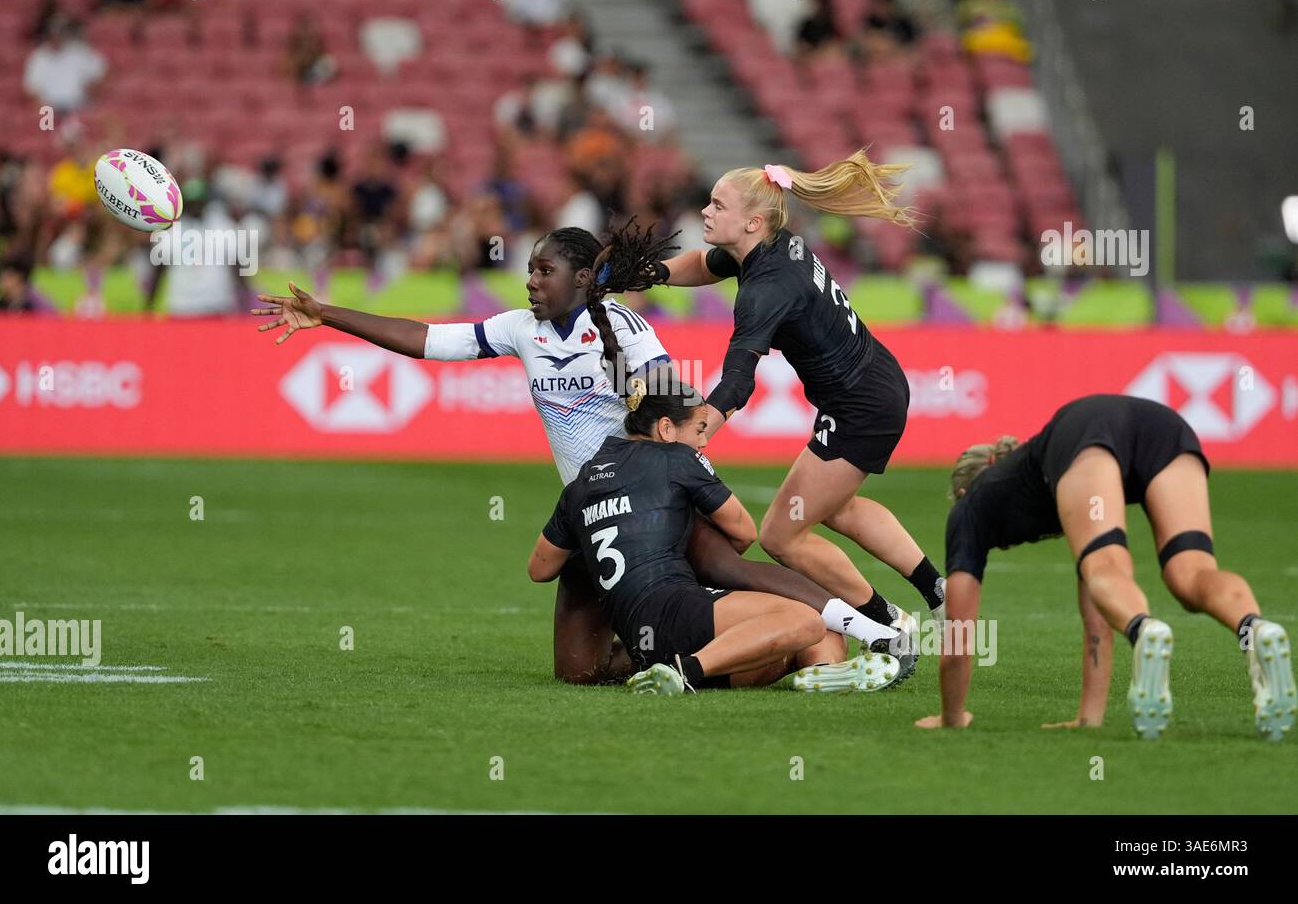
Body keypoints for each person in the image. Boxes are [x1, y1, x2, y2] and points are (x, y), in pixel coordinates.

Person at [252, 224, 898, 684]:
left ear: (584, 278)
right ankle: (729, 657)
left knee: (733, 567)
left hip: (655, 493)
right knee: (579, 670)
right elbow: (428, 340)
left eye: (544, 270)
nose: (531, 281)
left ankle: (875, 633)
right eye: (530, 269)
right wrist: (327, 313)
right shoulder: (517, 329)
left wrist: (675, 461)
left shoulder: (625, 329)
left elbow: (680, 409)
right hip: (591, 506)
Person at [593, 151, 946, 681]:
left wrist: (689, 440)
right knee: (838, 508)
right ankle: (937, 591)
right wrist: (651, 274)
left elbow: (737, 382)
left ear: (752, 221)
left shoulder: (765, 289)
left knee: (782, 535)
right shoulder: (768, 247)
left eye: (717, 205)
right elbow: (706, 264)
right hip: (873, 385)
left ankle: (891, 626)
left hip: (860, 406)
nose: (705, 213)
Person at [916, 394, 1296, 741]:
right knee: (1190, 571)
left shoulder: (968, 512)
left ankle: (1144, 628)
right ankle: (1254, 628)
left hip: (1087, 433)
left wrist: (951, 716)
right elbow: (1096, 615)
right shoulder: (1046, 482)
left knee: (1106, 563)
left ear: (963, 492)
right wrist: (1089, 717)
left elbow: (959, 636)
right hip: (1167, 428)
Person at [527, 367, 900, 695]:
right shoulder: (677, 456)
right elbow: (744, 532)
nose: (704, 442)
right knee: (805, 620)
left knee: (821, 638)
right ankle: (684, 672)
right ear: (666, 428)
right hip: (674, 611)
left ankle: (822, 675)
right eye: (700, 429)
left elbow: (539, 569)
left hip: (643, 635)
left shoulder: (579, 484)